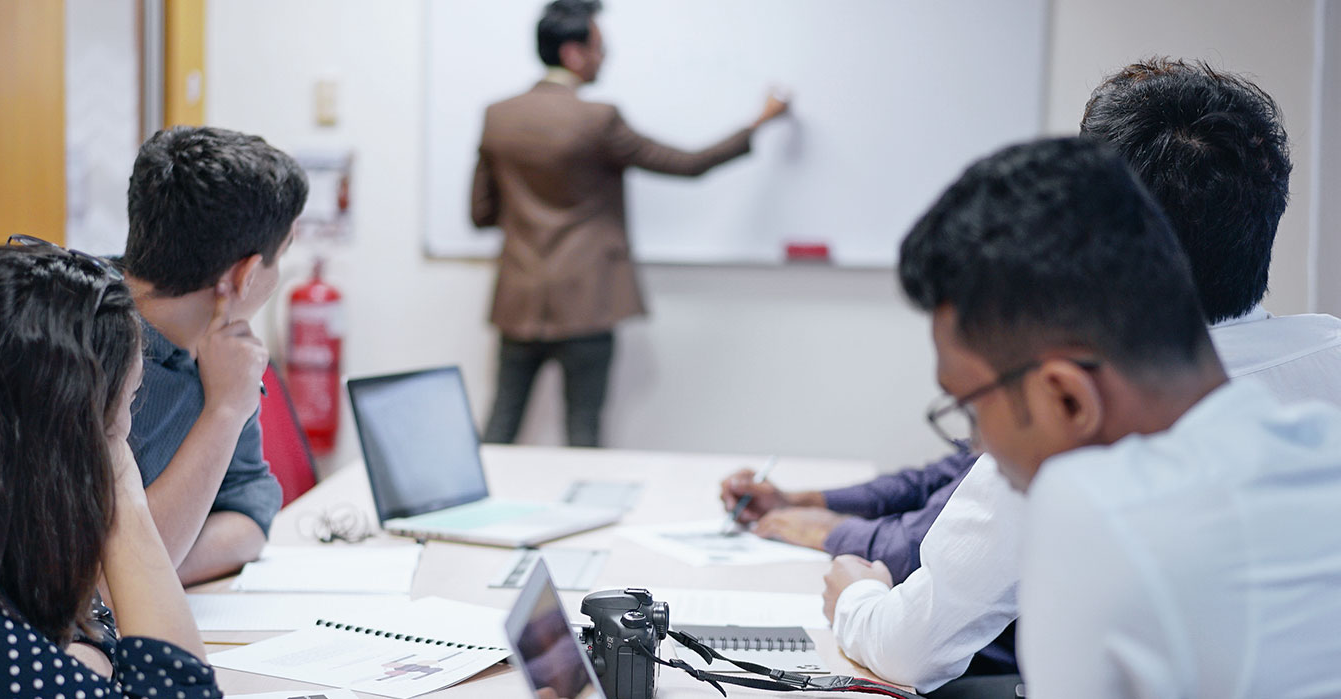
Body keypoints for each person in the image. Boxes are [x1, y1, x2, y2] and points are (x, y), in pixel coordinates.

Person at [824, 59, 1341, 695]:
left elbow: (913, 646)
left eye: (970, 409)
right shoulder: (1322, 381)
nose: (976, 446)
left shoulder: (1087, 509)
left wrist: (857, 598)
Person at [0, 242, 219, 697]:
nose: (125, 432)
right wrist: (123, 488)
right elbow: (181, 692)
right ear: (70, 427)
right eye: (127, 403)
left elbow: (89, 613)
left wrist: (89, 652)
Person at [472, 0, 790, 448]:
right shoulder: (597, 120)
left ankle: (462, 518)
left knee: (501, 426)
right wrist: (759, 122)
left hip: (518, 300)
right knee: (583, 431)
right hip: (587, 302)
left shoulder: (497, 116)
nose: (605, 56)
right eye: (599, 47)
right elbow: (689, 164)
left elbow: (481, 214)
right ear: (573, 53)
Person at [121, 125, 308, 585]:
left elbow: (248, 509)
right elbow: (91, 579)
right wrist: (224, 410)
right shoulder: (76, 344)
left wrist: (148, 574)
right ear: (244, 275)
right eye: (279, 256)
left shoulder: (223, 351)